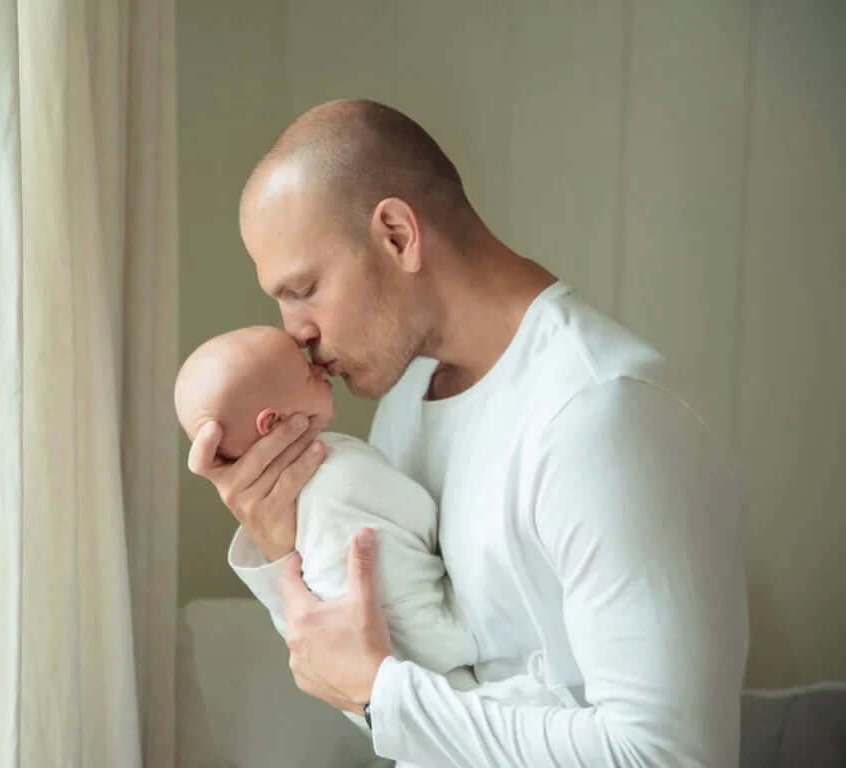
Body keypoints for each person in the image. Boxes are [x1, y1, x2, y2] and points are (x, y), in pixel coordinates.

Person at [186, 99, 750, 767]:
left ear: (397, 234)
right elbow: (406, 706)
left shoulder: (603, 413)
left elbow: (670, 756)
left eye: (303, 288)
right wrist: (288, 552)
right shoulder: (407, 396)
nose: (292, 332)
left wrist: (380, 693)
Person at [174, 326, 574, 735]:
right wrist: (276, 552)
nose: (318, 364)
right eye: (306, 372)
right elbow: (357, 641)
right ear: (272, 421)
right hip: (443, 669)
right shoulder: (338, 483)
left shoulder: (344, 459)